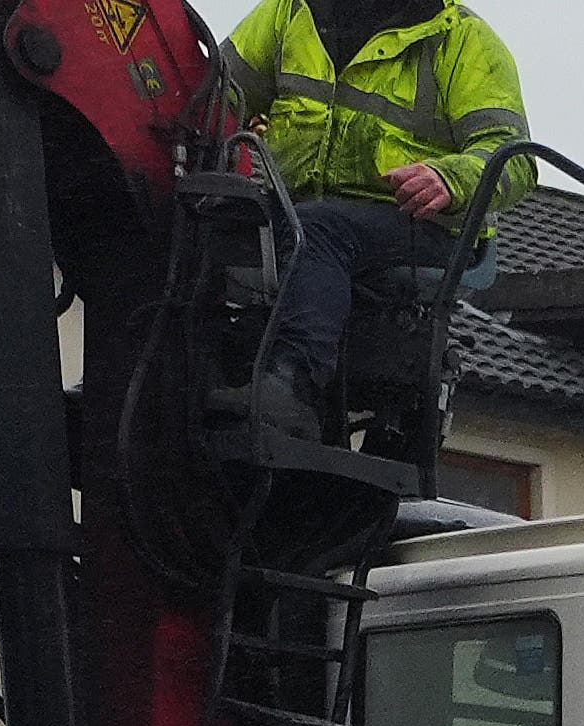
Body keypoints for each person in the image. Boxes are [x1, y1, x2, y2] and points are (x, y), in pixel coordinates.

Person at [213, 0, 533, 443]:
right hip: (297, 210)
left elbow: (513, 160)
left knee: (319, 230)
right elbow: (215, 96)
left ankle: (290, 388)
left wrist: (449, 179)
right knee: (199, 221)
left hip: (424, 225)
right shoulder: (289, 13)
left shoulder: (461, 39)